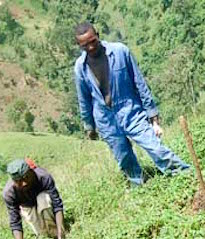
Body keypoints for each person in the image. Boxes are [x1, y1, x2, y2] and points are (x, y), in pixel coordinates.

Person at [73, 22, 190, 186]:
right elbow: (84, 99)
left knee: (155, 148)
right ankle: (138, 185)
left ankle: (184, 175)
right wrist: (89, 127)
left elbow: (139, 82)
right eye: (85, 45)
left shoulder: (120, 52)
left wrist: (152, 115)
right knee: (124, 157)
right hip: (106, 120)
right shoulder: (80, 68)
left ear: (98, 35)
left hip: (130, 111)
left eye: (93, 41)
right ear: (79, 46)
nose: (91, 47)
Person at [2, 158, 65, 239]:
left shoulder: (44, 177)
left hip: (43, 200)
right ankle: (47, 236)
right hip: (28, 206)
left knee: (44, 199)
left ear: (31, 171)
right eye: (18, 182)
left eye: (26, 177)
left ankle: (57, 233)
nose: (24, 183)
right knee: (43, 234)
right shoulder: (9, 193)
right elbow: (15, 223)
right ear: (13, 181)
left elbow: (57, 205)